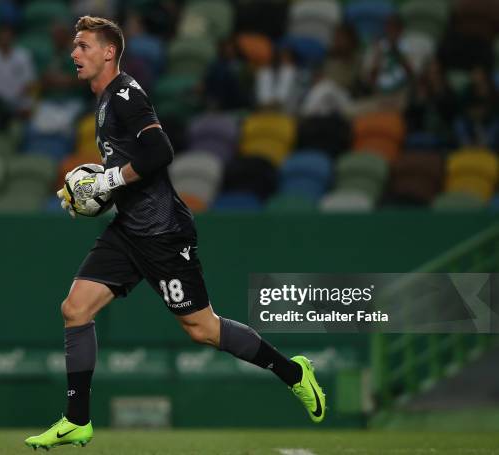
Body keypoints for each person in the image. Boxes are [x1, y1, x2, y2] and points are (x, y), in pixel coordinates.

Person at [24, 17, 326, 451]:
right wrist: (100, 191)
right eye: (75, 46)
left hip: (163, 232)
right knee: (75, 309)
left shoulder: (127, 94)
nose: (75, 54)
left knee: (202, 329)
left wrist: (107, 183)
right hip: (129, 228)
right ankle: (77, 421)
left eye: (84, 46)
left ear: (109, 52)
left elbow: (160, 152)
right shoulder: (105, 101)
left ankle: (293, 372)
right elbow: (132, 168)